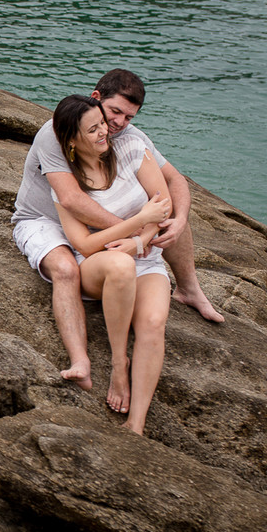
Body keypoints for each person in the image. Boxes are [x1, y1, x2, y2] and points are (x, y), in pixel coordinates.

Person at [12, 69, 222, 394]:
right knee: (66, 269)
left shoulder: (126, 134)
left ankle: (190, 289)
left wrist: (177, 221)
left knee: (171, 218)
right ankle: (80, 360)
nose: (120, 122)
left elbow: (175, 180)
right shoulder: (55, 134)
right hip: (45, 219)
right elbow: (71, 199)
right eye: (115, 112)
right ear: (97, 98)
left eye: (129, 116)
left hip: (96, 223)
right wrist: (136, 231)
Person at [47, 95, 171, 433]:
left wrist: (140, 240)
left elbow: (164, 203)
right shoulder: (66, 182)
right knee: (119, 265)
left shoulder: (130, 148)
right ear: (72, 140)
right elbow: (85, 244)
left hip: (145, 258)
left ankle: (136, 423)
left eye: (103, 122)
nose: (105, 131)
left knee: (154, 322)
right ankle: (119, 363)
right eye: (93, 129)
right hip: (98, 265)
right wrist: (137, 222)